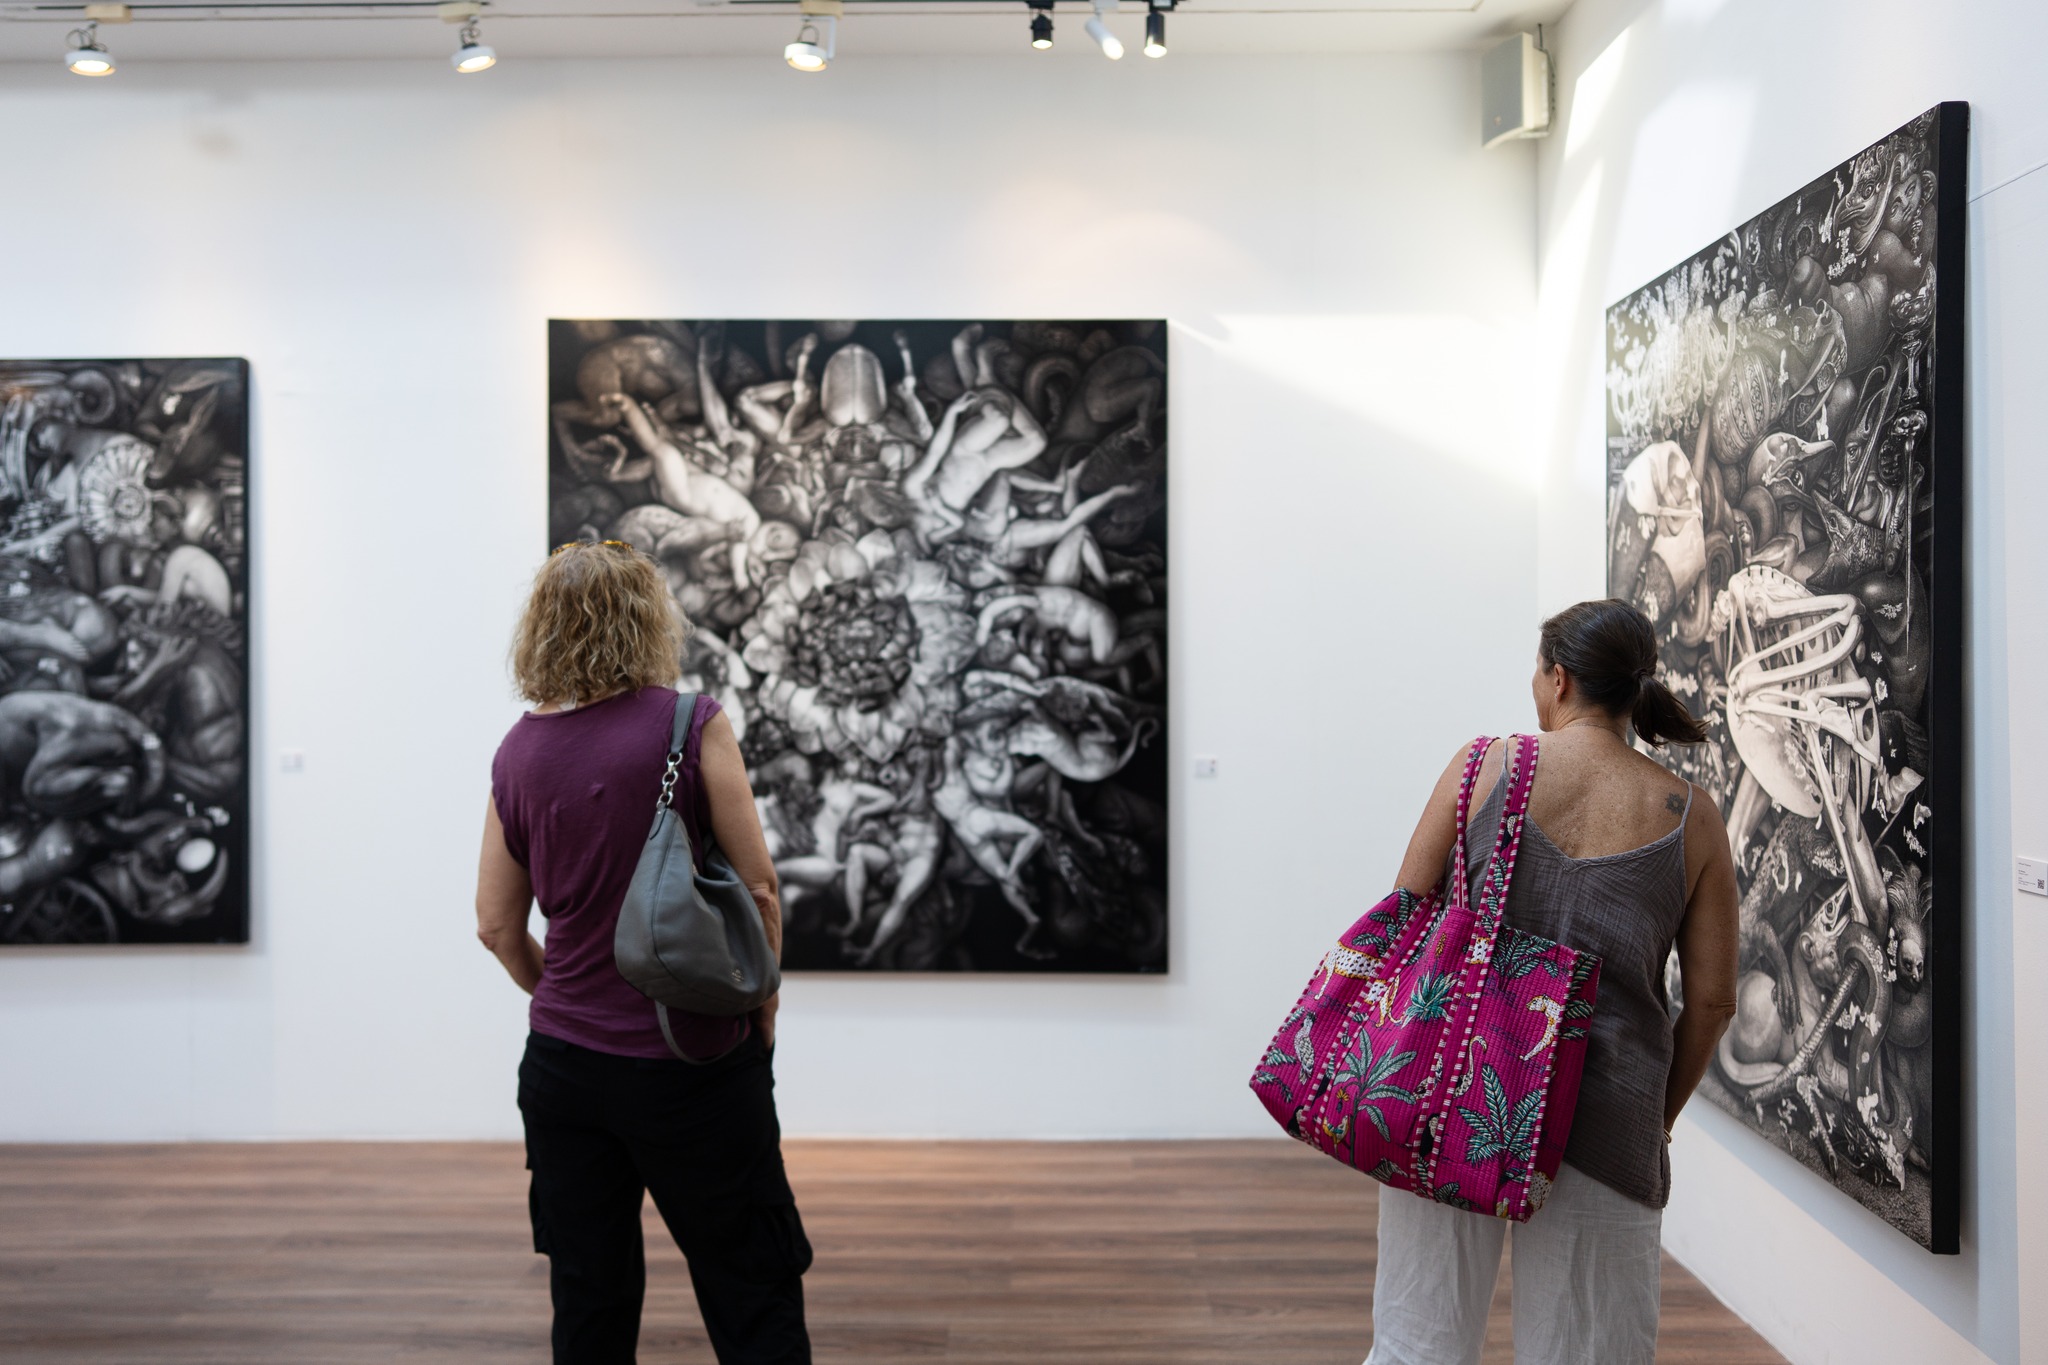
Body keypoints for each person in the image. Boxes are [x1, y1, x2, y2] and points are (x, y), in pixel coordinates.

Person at [1364, 599, 1740, 1365]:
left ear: (1558, 678)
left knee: (1416, 1345)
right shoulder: (1692, 817)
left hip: (1456, 1095)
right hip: (1609, 1117)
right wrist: (1655, 1120)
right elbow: (1712, 1001)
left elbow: (1405, 915)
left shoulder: (1482, 767)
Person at [474, 540, 812, 1365]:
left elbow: (494, 925)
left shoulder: (517, 751)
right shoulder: (692, 723)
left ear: (543, 628)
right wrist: (760, 1011)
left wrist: (563, 999)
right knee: (751, 1284)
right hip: (692, 1060)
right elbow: (760, 889)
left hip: (562, 1072)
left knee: (589, 1297)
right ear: (647, 620)